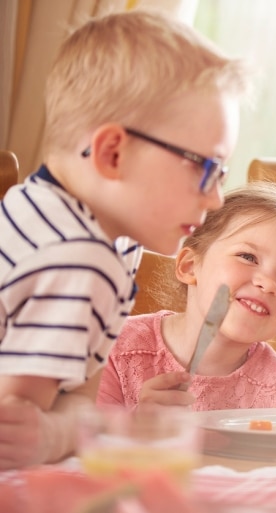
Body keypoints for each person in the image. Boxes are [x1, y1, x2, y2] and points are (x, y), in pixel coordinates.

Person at [0, 9, 250, 468]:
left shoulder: (32, 205)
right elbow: (16, 440)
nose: (216, 198)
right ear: (113, 152)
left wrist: (71, 426)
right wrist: (113, 429)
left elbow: (74, 395)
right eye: (204, 167)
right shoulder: (83, 262)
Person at [97, 182, 276, 410]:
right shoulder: (114, 348)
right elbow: (82, 443)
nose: (268, 284)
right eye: (248, 257)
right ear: (189, 266)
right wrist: (137, 428)